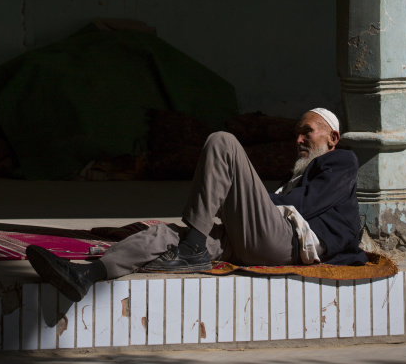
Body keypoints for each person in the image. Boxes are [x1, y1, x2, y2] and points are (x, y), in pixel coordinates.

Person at [26, 108, 366, 303]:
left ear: (332, 138)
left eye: (307, 132)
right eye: (297, 133)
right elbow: (282, 202)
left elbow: (299, 206)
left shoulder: (342, 162)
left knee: (223, 142)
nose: (299, 140)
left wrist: (235, 195)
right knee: (164, 234)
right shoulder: (297, 175)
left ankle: (192, 247)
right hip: (256, 244)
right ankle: (88, 274)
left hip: (285, 243)